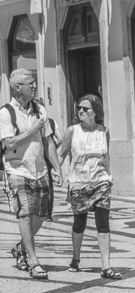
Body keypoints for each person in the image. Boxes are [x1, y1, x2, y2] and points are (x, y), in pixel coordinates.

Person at [0, 68, 62, 280]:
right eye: (30, 83)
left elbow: (48, 142)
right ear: (18, 88)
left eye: (34, 82)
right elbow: (9, 144)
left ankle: (20, 247)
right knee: (25, 214)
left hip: (40, 168)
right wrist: (32, 129)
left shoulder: (40, 109)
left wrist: (57, 168)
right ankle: (33, 261)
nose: (34, 86)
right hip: (17, 169)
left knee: (42, 213)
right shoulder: (6, 112)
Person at [58, 94, 121, 280]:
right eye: (79, 108)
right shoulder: (72, 131)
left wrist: (109, 177)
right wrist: (56, 171)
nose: (81, 111)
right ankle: (76, 259)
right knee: (80, 223)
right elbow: (62, 153)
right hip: (78, 183)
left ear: (96, 111)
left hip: (101, 182)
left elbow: (106, 155)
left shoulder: (104, 131)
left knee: (103, 223)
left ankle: (106, 266)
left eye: (85, 109)